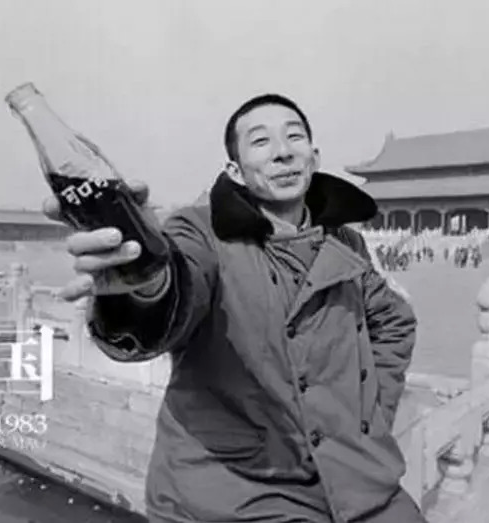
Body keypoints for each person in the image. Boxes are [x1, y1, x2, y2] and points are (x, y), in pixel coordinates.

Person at [44, 94, 423, 522]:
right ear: (235, 171)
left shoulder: (345, 241)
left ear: (314, 157)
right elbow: (178, 288)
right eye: (261, 141)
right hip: (235, 492)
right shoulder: (202, 232)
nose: (283, 152)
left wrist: (369, 417)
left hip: (357, 479)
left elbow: (393, 322)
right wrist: (142, 286)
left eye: (294, 137)